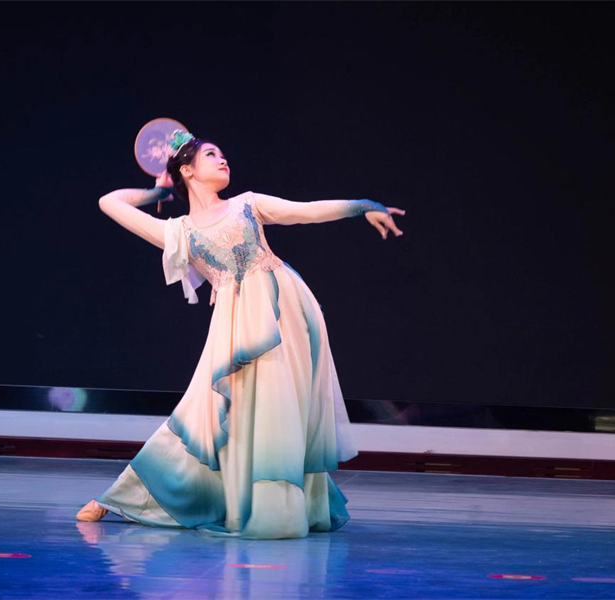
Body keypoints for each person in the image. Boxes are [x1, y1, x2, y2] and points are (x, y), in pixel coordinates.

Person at [77, 131, 405, 539]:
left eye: (222, 154)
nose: (223, 159)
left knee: (278, 409)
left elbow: (306, 212)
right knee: (203, 413)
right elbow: (109, 202)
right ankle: (126, 495)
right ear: (187, 170)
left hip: (283, 313)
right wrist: (158, 190)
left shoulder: (248, 203)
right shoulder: (178, 231)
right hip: (235, 323)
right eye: (211, 154)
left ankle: (280, 507)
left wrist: (363, 206)